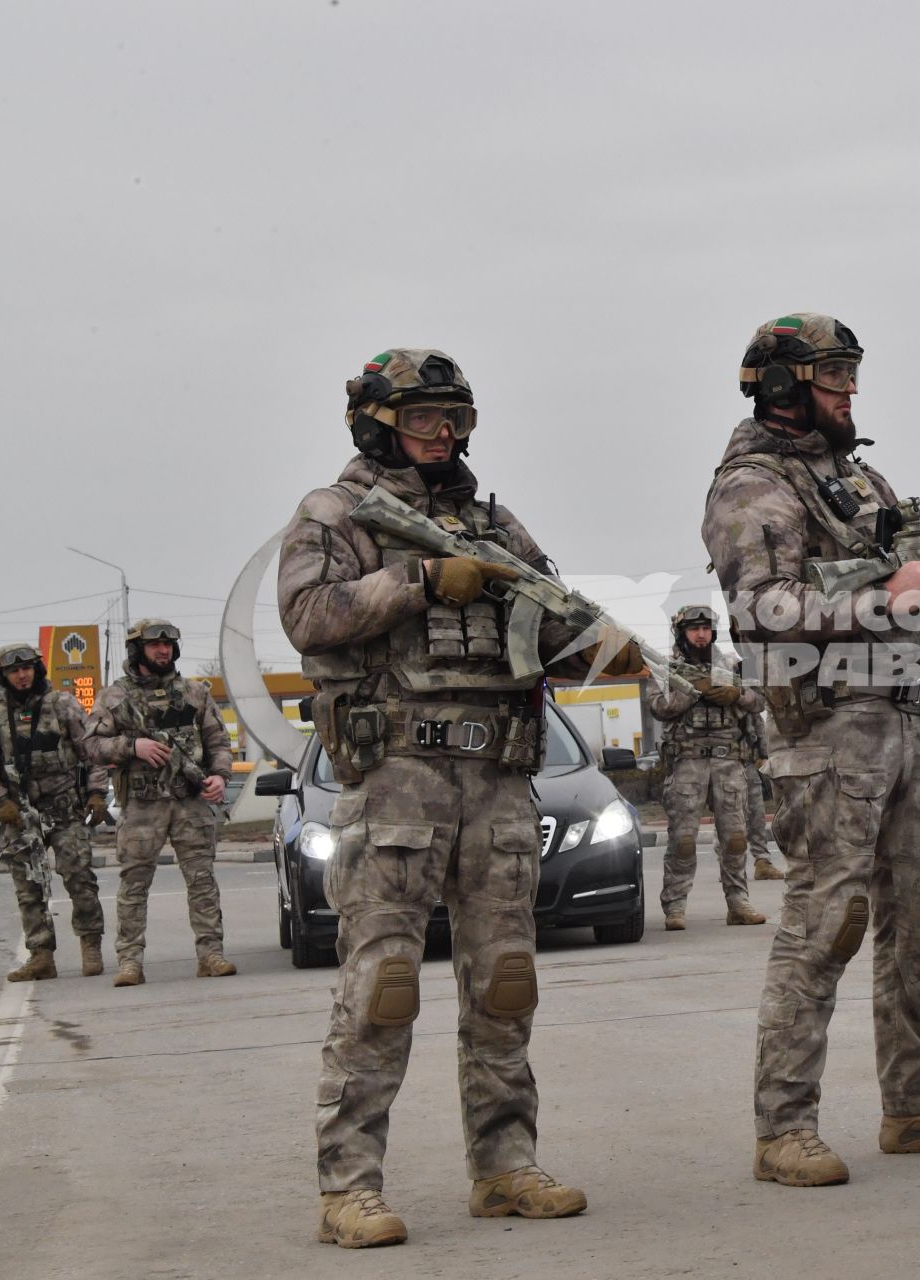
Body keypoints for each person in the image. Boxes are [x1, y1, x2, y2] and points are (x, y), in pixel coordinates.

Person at [278, 347, 641, 1247]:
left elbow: (555, 618)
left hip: (500, 782)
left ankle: (505, 1166)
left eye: (458, 417)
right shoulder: (335, 514)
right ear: (376, 421)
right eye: (425, 416)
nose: (445, 432)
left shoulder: (493, 521)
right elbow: (308, 616)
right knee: (384, 984)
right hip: (397, 779)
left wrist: (608, 646)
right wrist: (419, 581)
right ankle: (349, 1187)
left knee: (504, 985)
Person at [702, 312, 920, 1187]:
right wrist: (884, 600)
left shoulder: (856, 481)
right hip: (828, 734)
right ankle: (783, 1131)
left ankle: (917, 1107)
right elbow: (762, 615)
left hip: (902, 721)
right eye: (831, 374)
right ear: (780, 388)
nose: (849, 390)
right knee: (826, 924)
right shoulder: (753, 487)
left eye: (852, 372)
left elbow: (909, 594)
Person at [86, 619, 235, 987]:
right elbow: (90, 746)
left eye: (168, 644)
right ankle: (130, 962)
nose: (163, 650)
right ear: (139, 651)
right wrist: (130, 746)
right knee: (134, 885)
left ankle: (211, 955)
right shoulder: (114, 697)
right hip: (141, 805)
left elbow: (218, 742)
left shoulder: (195, 693)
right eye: (154, 645)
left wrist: (219, 776)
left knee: (202, 881)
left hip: (189, 802)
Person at [0, 644, 108, 981]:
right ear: (3, 676)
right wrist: (1, 801)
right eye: (14, 670)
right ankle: (41, 955)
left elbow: (92, 753)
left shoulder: (62, 705)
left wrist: (97, 793)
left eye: (28, 668)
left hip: (65, 809)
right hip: (21, 814)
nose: (22, 675)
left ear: (37, 669)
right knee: (29, 887)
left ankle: (91, 945)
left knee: (80, 878)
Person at [647, 605, 769, 930]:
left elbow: (761, 701)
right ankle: (675, 907)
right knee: (683, 839)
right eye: (693, 629)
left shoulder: (732, 665)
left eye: (706, 628)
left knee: (735, 837)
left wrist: (735, 694)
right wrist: (691, 691)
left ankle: (738, 903)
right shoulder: (666, 668)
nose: (700, 634)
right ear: (681, 632)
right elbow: (658, 707)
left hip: (729, 762)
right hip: (688, 761)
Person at [741, 710, 785, 881]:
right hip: (725, 762)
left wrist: (763, 753)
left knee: (757, 816)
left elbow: (757, 718)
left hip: (748, 763)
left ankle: (762, 862)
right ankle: (728, 865)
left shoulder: (747, 693)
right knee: (729, 818)